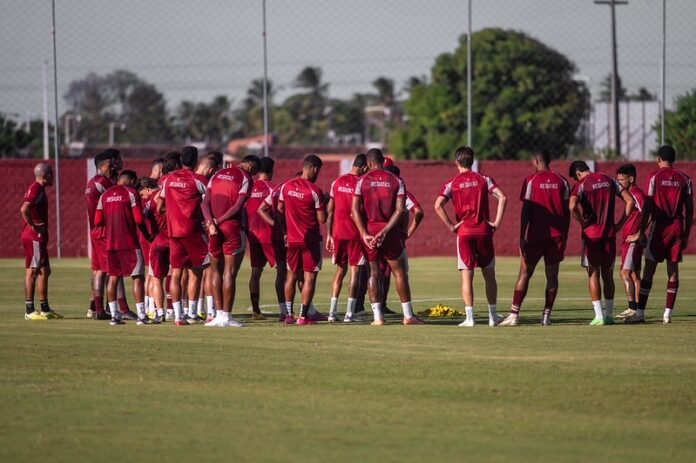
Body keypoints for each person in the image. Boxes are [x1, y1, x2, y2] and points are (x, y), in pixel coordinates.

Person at [434, 146, 507, 327]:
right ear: (472, 161)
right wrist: (497, 222)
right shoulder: (484, 179)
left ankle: (470, 318)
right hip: (484, 231)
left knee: (467, 277)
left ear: (456, 162)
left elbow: (437, 205)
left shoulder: (452, 183)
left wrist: (452, 226)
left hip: (464, 232)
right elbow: (503, 197)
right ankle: (492, 317)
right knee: (489, 276)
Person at [499, 149, 570, 326]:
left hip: (535, 236)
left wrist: (521, 235)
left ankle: (514, 315)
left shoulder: (531, 180)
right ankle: (546, 316)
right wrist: (565, 234)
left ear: (535, 161)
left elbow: (526, 210)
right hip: (556, 237)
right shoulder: (562, 181)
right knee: (552, 276)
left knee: (524, 273)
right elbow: (567, 212)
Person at [352, 148, 422, 326]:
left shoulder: (361, 181)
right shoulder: (396, 180)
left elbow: (354, 211)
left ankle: (378, 318)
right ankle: (408, 316)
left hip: (369, 231)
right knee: (399, 273)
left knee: (373, 273)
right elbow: (400, 210)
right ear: (383, 161)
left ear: (368, 163)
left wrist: (364, 233)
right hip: (389, 231)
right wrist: (385, 231)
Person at [568, 160, 634, 325]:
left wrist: (582, 223)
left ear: (578, 173)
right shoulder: (609, 179)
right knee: (608, 275)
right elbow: (630, 201)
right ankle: (609, 315)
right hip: (609, 234)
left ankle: (599, 316)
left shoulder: (581, 184)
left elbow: (572, 206)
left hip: (591, 236)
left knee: (593, 274)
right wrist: (620, 224)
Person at [636, 145, 693, 324]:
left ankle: (640, 313)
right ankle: (667, 314)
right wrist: (686, 234)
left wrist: (641, 231)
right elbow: (690, 209)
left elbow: (647, 205)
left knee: (648, 270)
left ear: (659, 159)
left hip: (660, 227)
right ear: (673, 159)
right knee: (673, 270)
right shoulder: (685, 179)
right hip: (677, 226)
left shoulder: (654, 177)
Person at [202, 155, 260, 327]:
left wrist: (210, 222)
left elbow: (204, 204)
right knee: (230, 272)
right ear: (251, 166)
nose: (255, 175)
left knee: (215, 271)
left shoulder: (216, 174)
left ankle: (218, 314)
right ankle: (226, 316)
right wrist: (218, 221)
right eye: (255, 171)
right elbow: (237, 207)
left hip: (212, 229)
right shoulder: (245, 178)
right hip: (231, 228)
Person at [159, 146, 210, 326]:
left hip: (174, 232)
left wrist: (174, 212)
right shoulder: (198, 179)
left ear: (181, 160)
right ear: (196, 162)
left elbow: (159, 205)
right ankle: (192, 313)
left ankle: (178, 316)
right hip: (193, 231)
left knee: (175, 273)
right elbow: (210, 201)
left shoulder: (169, 179)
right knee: (198, 271)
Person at [94, 170, 150, 325]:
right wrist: (147, 235)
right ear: (131, 181)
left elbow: (97, 221)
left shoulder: (104, 195)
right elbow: (138, 219)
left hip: (111, 244)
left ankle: (114, 316)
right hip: (129, 243)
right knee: (137, 277)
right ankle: (142, 316)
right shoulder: (131, 193)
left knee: (113, 278)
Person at [276, 154, 326, 325]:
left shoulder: (286, 186)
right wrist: (325, 203)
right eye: (318, 171)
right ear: (314, 169)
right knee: (309, 277)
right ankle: (303, 317)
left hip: (292, 239)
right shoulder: (315, 191)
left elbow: (279, 209)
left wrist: (285, 230)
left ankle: (289, 315)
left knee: (290, 275)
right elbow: (322, 219)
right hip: (310, 241)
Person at [326, 153, 368, 322]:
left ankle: (332, 312)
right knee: (354, 272)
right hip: (355, 234)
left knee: (339, 271)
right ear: (364, 167)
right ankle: (350, 314)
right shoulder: (362, 183)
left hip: (338, 233)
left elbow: (330, 210)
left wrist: (329, 234)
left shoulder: (336, 182)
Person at [245, 157, 286, 320]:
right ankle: (284, 311)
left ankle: (256, 311)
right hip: (270, 236)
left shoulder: (249, 187)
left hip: (253, 235)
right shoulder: (272, 189)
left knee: (255, 272)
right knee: (281, 270)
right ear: (271, 171)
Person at [21, 163, 61, 320]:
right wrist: (33, 225)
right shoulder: (36, 188)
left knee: (45, 271)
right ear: (44, 176)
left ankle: (45, 309)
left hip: (39, 237)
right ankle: (29, 310)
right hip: (34, 237)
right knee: (32, 272)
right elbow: (24, 209)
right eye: (51, 174)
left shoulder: (39, 189)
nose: (53, 177)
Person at [613, 164, 647, 324]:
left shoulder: (636, 194)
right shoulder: (630, 194)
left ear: (631, 179)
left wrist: (639, 234)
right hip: (629, 239)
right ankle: (639, 312)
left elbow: (649, 213)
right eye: (618, 180)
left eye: (622, 179)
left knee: (624, 273)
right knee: (634, 275)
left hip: (632, 241)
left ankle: (632, 308)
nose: (620, 183)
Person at [84, 151, 114, 320]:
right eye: (110, 165)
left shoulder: (91, 182)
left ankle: (93, 307)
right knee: (108, 271)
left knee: (97, 270)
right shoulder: (103, 182)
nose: (112, 167)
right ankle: (105, 309)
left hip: (95, 231)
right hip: (104, 231)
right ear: (101, 166)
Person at [138, 177, 168, 323]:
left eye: (142, 193)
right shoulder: (168, 193)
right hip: (176, 240)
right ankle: (181, 312)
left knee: (155, 278)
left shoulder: (150, 202)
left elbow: (139, 220)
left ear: (147, 188)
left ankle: (159, 312)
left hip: (158, 241)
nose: (143, 197)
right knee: (177, 276)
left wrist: (147, 236)